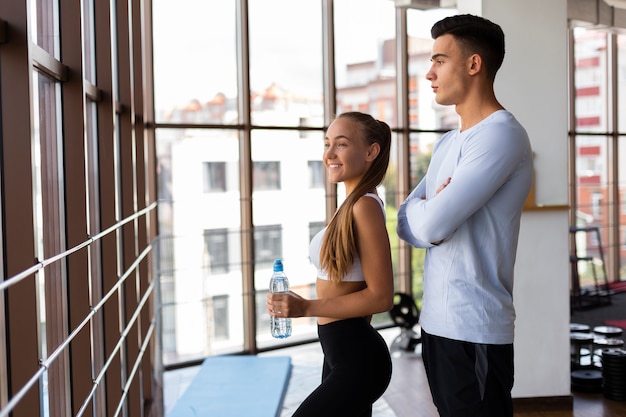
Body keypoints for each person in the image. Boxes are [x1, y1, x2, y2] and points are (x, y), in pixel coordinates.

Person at [396, 14, 533, 417]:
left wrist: (433, 218)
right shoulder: (448, 143)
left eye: (439, 60)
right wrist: (430, 215)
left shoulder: (501, 134)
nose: (429, 74)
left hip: (474, 326)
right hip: (437, 323)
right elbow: (407, 221)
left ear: (474, 65)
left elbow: (431, 224)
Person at [267, 111, 394, 417]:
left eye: (341, 144)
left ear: (370, 152)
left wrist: (306, 307)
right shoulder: (351, 204)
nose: (329, 154)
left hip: (359, 358)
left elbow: (381, 297)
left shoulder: (364, 205)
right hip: (339, 351)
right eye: (327, 144)